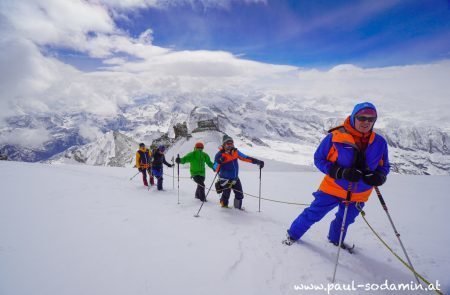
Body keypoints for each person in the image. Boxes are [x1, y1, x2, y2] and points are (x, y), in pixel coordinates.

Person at [283, 102, 390, 246]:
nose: (366, 122)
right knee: (313, 213)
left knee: (344, 221)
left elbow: (384, 166)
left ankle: (335, 241)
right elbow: (319, 159)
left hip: (360, 193)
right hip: (332, 187)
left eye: (371, 119)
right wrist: (340, 172)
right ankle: (292, 235)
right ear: (353, 117)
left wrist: (379, 177)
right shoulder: (336, 136)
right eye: (362, 118)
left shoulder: (380, 142)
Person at [213, 135, 264, 209]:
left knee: (239, 195)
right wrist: (219, 161)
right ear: (224, 144)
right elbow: (214, 169)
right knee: (226, 196)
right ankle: (224, 209)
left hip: (235, 178)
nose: (230, 145)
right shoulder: (219, 154)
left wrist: (257, 161)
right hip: (225, 179)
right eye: (228, 144)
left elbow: (245, 157)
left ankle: (238, 209)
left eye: (231, 143)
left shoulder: (235, 152)